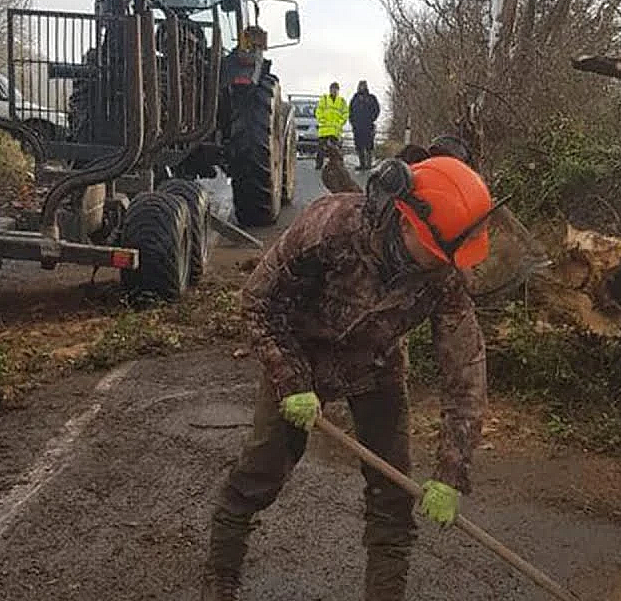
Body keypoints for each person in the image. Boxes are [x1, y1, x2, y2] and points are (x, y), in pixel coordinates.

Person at [202, 154, 505, 601]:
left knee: (392, 498)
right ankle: (220, 575)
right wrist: (291, 381)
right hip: (299, 355)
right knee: (259, 472)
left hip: (376, 366)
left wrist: (451, 469)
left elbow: (465, 370)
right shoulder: (330, 229)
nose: (447, 265)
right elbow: (258, 303)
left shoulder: (445, 273)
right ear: (406, 223)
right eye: (440, 254)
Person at [314, 81, 348, 170]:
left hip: (335, 130)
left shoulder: (342, 101)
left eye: (336, 89)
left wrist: (340, 122)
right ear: (330, 90)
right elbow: (318, 110)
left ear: (338, 90)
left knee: (335, 150)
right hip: (324, 129)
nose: (334, 91)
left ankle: (335, 165)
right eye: (333, 89)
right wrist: (321, 119)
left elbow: (345, 113)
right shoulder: (324, 99)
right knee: (321, 149)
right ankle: (319, 164)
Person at [350, 80, 381, 171]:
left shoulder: (371, 98)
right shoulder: (355, 98)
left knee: (369, 146)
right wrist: (353, 122)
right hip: (357, 126)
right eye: (360, 86)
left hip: (368, 126)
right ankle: (362, 164)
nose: (362, 87)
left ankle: (369, 164)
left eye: (363, 86)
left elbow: (377, 110)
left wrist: (371, 119)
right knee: (359, 146)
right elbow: (350, 111)